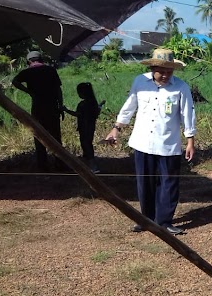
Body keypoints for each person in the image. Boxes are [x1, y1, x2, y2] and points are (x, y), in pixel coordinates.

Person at [105, 49, 196, 235]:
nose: (165, 75)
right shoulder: (140, 82)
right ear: (153, 68)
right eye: (161, 71)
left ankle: (164, 222)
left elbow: (188, 114)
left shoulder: (181, 87)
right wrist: (117, 128)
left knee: (169, 183)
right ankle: (145, 219)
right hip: (143, 141)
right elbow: (129, 106)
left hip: (168, 143)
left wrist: (190, 141)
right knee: (144, 182)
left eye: (169, 71)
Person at [12, 50, 64, 172]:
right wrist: (61, 105)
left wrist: (29, 92)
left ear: (29, 61)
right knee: (56, 136)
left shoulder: (28, 72)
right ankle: (60, 163)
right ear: (41, 60)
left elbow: (15, 81)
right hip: (52, 107)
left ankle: (43, 165)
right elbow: (58, 90)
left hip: (38, 107)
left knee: (39, 135)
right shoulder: (50, 70)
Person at [64, 82, 102, 173]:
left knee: (85, 145)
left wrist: (66, 110)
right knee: (88, 144)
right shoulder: (93, 103)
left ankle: (93, 166)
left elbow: (77, 114)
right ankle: (89, 164)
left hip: (84, 127)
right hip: (91, 126)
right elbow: (96, 112)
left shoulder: (82, 104)